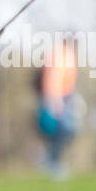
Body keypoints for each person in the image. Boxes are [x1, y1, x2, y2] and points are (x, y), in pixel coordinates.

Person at [34, 40, 80, 178]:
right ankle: (52, 162)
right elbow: (53, 77)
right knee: (63, 129)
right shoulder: (61, 54)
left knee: (67, 130)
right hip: (57, 98)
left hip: (64, 97)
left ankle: (50, 159)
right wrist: (55, 99)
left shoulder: (67, 55)